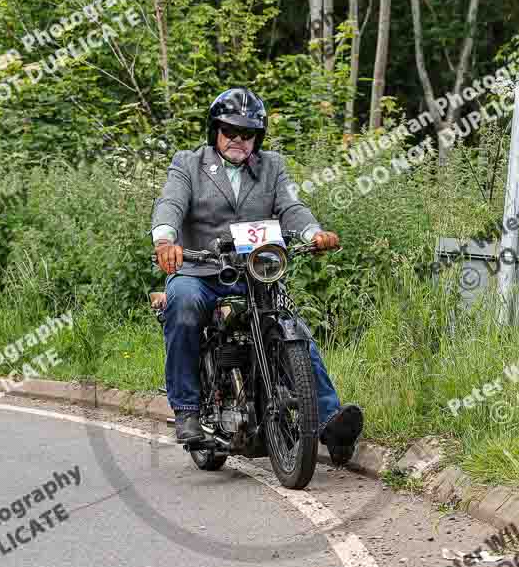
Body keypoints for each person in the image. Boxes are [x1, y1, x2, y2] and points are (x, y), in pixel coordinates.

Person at [151, 88, 363, 465]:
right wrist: (166, 239)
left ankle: (328, 418)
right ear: (215, 130)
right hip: (199, 269)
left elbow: (291, 206)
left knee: (290, 325)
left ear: (257, 137)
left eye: (247, 133)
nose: (238, 139)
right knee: (182, 305)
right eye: (230, 131)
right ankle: (186, 409)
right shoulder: (188, 163)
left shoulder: (272, 166)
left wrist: (313, 233)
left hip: (255, 271)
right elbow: (170, 203)